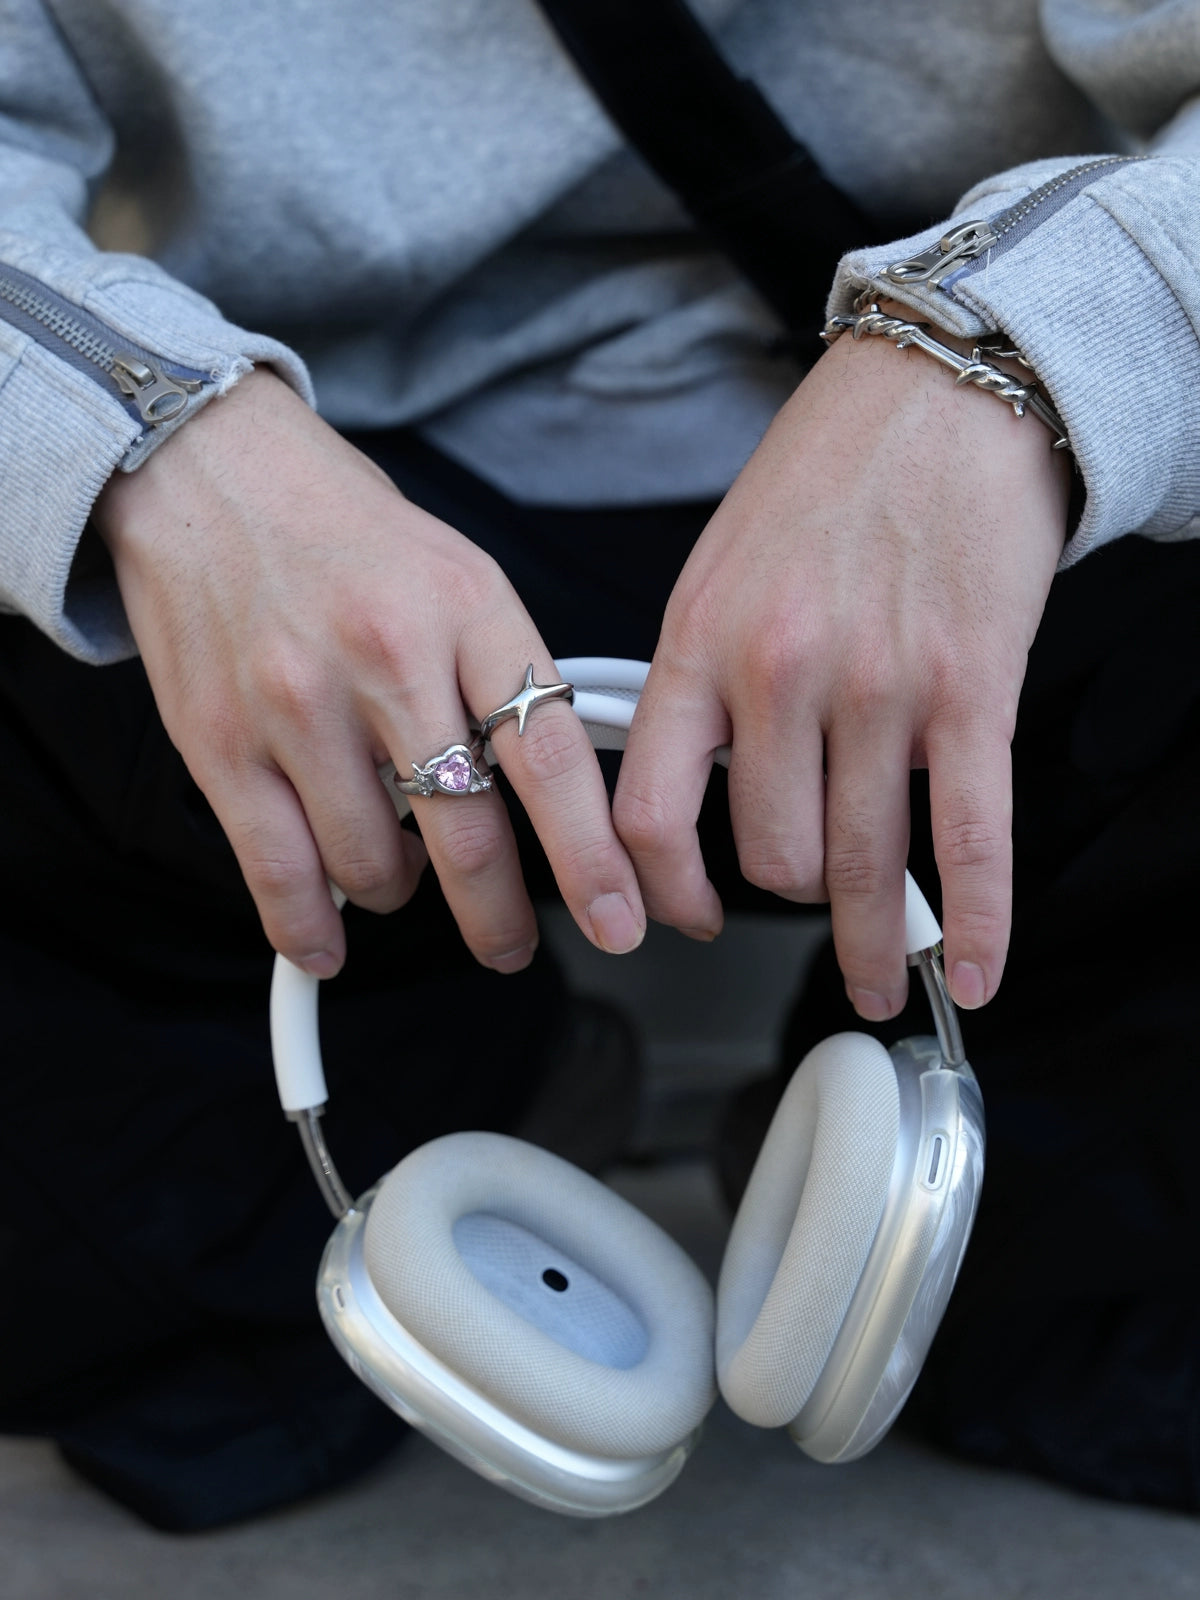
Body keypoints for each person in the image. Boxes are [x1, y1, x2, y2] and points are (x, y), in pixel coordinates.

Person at [0, 0, 1197, 1528]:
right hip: (319, 489)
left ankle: (1022, 1216)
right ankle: (403, 1123)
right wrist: (140, 432)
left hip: (1036, 500)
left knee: (1088, 1312)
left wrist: (1037, 344)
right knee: (197, 1357)